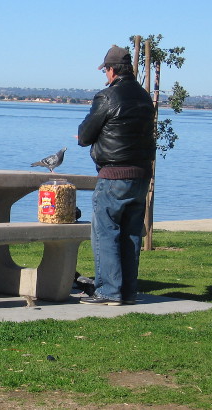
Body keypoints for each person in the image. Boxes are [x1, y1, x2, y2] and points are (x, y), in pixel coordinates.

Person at [76, 45, 156, 305]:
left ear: (111, 71)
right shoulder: (145, 97)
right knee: (131, 234)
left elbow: (85, 136)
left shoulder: (107, 97)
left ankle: (108, 291)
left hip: (113, 175)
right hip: (141, 175)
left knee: (105, 231)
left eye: (106, 71)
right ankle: (128, 292)